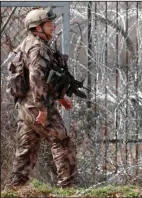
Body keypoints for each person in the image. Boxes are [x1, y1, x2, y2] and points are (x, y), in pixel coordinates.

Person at [8, 8, 77, 188]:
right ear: (37, 28)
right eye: (48, 24)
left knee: (26, 150)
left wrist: (60, 97)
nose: (53, 27)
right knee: (62, 141)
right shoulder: (37, 48)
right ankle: (66, 188)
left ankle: (16, 189)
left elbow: (48, 78)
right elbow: (36, 78)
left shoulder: (27, 44)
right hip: (37, 105)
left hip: (25, 106)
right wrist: (42, 108)